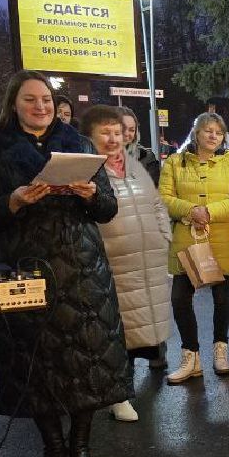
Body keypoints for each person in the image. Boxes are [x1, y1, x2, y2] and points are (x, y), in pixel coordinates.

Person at [0, 71, 132, 457]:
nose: (41, 107)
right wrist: (13, 201)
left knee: (87, 359)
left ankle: (81, 447)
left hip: (82, 267)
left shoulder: (79, 144)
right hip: (25, 264)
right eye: (30, 100)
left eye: (47, 100)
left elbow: (108, 208)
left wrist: (92, 194)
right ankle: (52, 448)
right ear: (13, 104)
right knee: (34, 361)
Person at [81, 106, 172, 422]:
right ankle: (118, 395)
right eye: (106, 132)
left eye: (118, 132)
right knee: (113, 328)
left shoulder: (135, 166)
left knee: (136, 324)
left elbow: (155, 204)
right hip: (109, 259)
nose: (115, 138)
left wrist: (163, 237)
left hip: (144, 258)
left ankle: (123, 390)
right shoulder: (87, 168)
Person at [159, 111, 229, 383]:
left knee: (223, 299)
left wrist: (208, 212)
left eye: (218, 132)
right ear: (196, 133)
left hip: (223, 240)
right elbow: (164, 199)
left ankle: (221, 350)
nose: (213, 135)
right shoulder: (175, 163)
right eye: (208, 130)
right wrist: (190, 210)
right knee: (179, 298)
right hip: (187, 239)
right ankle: (191, 357)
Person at [117, 106, 160, 186]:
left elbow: (154, 187)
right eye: (123, 128)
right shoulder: (100, 156)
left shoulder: (146, 156)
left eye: (131, 130)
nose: (127, 133)